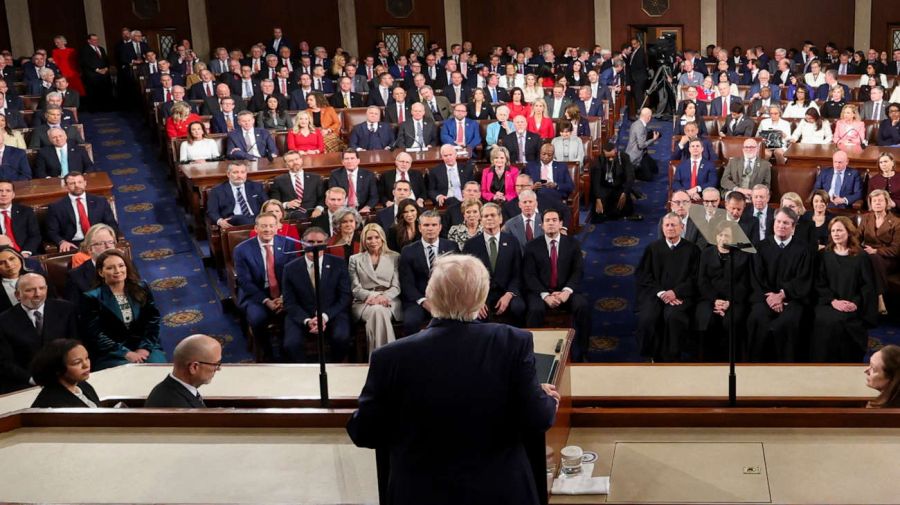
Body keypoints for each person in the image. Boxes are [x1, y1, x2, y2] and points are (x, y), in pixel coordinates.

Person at [347, 253, 559, 505]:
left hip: (419, 493)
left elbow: (365, 432)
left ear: (431, 294)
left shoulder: (390, 357)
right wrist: (541, 395)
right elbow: (538, 418)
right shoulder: (512, 342)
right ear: (481, 297)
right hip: (499, 490)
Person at [523, 208, 590, 361]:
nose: (551, 223)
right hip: (541, 292)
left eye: (554, 220)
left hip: (565, 291)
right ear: (542, 225)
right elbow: (529, 275)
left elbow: (578, 270)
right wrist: (545, 295)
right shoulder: (532, 246)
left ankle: (583, 352)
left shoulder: (573, 244)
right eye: (547, 221)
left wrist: (566, 291)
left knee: (583, 307)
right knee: (534, 310)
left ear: (561, 224)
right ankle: (534, 355)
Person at [747, 208, 813, 362]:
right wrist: (771, 298)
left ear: (793, 227)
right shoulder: (761, 247)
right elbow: (757, 277)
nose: (781, 225)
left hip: (792, 299)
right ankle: (755, 366)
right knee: (757, 318)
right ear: (773, 223)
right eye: (778, 221)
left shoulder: (803, 249)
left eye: (786, 223)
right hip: (765, 298)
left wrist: (783, 295)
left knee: (788, 322)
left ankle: (787, 367)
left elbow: (803, 278)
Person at [81, 250, 165, 370]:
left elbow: (153, 320)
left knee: (156, 369)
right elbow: (96, 334)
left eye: (121, 266)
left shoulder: (141, 287)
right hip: (112, 353)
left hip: (145, 346)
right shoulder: (91, 297)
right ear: (101, 272)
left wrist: (145, 348)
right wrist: (126, 353)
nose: (117, 271)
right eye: (110, 268)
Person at [636, 212, 702, 362]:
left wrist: (676, 292)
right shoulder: (653, 248)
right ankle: (653, 356)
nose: (670, 228)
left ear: (682, 227)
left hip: (682, 297)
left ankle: (673, 358)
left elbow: (695, 278)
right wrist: (661, 293)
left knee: (673, 317)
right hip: (656, 295)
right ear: (662, 227)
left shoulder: (693, 250)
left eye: (674, 225)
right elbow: (644, 276)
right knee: (648, 317)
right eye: (667, 225)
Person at [811, 217, 878, 363]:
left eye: (840, 230)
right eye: (833, 231)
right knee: (829, 321)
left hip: (853, 304)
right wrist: (833, 301)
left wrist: (855, 303)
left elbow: (867, 286)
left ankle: (849, 364)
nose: (836, 234)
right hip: (827, 303)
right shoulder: (824, 256)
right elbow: (819, 284)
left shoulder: (861, 257)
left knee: (847, 321)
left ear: (848, 232)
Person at [282, 226, 352, 363]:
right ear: (302, 243)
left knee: (342, 337)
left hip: (332, 313)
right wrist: (308, 321)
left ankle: (335, 368)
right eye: (310, 242)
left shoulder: (338, 264)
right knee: (291, 344)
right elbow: (289, 302)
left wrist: (324, 317)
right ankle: (305, 374)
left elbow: (344, 297)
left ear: (325, 245)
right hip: (301, 315)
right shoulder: (290, 268)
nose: (314, 246)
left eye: (319, 242)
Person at [0, 273, 78, 393]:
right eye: (30, 290)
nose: (38, 294)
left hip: (65, 373)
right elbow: (5, 361)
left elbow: (76, 344)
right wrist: (31, 379)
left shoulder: (66, 309)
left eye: (42, 288)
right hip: (24, 381)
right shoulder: (3, 321)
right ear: (17, 295)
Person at [695, 220, 752, 361]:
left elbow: (744, 284)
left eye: (727, 235)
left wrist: (729, 302)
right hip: (710, 299)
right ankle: (707, 361)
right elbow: (702, 281)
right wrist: (715, 300)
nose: (723, 238)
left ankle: (730, 360)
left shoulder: (743, 255)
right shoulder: (706, 253)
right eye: (720, 235)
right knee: (706, 319)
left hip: (735, 300)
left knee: (730, 322)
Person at [462, 202, 525, 321]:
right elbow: (467, 277)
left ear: (500, 218)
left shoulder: (512, 242)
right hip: (482, 294)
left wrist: (509, 294)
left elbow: (517, 273)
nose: (489, 218)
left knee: (518, 308)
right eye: (486, 216)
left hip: (507, 291)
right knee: (474, 314)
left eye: (493, 215)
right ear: (481, 220)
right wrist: (477, 300)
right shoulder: (471, 245)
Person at [398, 210, 458, 334]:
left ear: (440, 227)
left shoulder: (452, 247)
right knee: (411, 322)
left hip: (446, 297)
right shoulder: (408, 251)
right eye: (426, 225)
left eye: (434, 225)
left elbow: (457, 278)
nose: (430, 228)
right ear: (420, 228)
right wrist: (424, 301)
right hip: (418, 300)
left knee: (460, 319)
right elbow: (407, 284)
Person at [349, 223, 402, 355]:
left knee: (378, 311)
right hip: (364, 302)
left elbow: (396, 286)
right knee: (378, 311)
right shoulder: (355, 259)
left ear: (382, 238)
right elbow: (355, 288)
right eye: (369, 238)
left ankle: (377, 359)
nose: (373, 241)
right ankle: (389, 357)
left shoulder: (394, 257)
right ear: (364, 241)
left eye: (376, 237)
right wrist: (373, 297)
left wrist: (384, 297)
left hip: (389, 300)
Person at [45, 172, 118, 252]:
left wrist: (107, 240)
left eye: (80, 182)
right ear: (66, 186)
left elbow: (111, 224)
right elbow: (51, 231)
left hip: (98, 240)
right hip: (72, 244)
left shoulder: (100, 201)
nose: (77, 185)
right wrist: (62, 242)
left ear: (85, 183)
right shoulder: (56, 207)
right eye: (72, 183)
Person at [144, 334, 222, 408]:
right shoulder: (181, 409)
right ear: (194, 367)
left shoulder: (166, 389)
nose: (218, 369)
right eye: (215, 364)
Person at [860, 189, 900, 315]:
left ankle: (880, 297)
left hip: (888, 259)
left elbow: (895, 249)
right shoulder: (866, 218)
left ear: (886, 202)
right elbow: (856, 237)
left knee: (874, 258)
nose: (877, 203)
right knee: (866, 258)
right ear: (871, 203)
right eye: (874, 200)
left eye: (880, 200)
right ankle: (877, 297)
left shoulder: (896, 222)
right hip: (867, 255)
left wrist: (876, 251)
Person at [29, 339, 98, 408]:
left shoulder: (84, 385)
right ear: (57, 369)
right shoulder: (51, 405)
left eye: (86, 358)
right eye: (77, 362)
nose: (86, 365)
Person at [206, 162, 266, 229]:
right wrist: (220, 221)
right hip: (233, 221)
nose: (239, 176)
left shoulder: (256, 186)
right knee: (239, 218)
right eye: (235, 172)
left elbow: (266, 204)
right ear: (228, 174)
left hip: (256, 219)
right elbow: (212, 211)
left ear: (246, 174)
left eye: (242, 172)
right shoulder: (217, 190)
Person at [267, 151, 324, 221]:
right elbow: (275, 201)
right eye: (291, 161)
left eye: (296, 159)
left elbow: (322, 198)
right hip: (291, 215)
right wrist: (287, 204)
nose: (295, 162)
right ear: (286, 164)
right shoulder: (279, 180)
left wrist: (319, 209)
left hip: (312, 213)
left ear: (301, 160)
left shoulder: (315, 178)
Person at [590, 141, 636, 222]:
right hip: (604, 187)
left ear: (615, 151)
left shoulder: (624, 157)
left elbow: (630, 177)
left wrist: (625, 193)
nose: (610, 159)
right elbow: (596, 181)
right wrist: (598, 198)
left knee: (625, 209)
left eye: (612, 156)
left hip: (619, 187)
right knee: (598, 214)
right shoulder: (599, 160)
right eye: (608, 157)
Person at [625, 108, 661, 180]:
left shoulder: (637, 123)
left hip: (643, 153)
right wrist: (653, 139)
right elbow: (641, 145)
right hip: (636, 156)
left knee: (655, 170)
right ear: (649, 117)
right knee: (649, 177)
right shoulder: (640, 127)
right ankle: (632, 173)